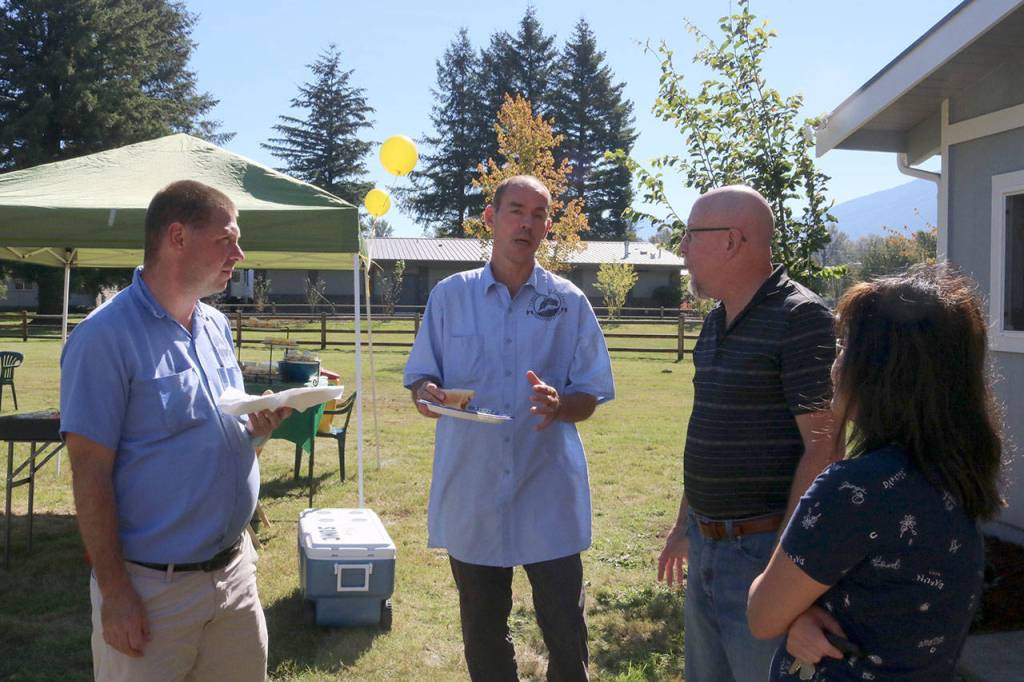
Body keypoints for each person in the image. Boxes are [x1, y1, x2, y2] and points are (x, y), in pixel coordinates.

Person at [61, 180, 291, 681]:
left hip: (234, 576)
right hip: (151, 591)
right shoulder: (104, 337)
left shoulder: (215, 327)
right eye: (226, 239)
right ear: (177, 237)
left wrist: (257, 432)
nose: (239, 252)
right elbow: (89, 476)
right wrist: (116, 593)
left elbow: (212, 436)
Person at [403, 175, 615, 681]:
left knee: (566, 629)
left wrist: (562, 405)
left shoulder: (569, 303)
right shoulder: (449, 298)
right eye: (516, 209)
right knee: (482, 629)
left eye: (539, 213)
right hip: (473, 489)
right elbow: (423, 376)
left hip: (548, 489)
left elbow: (591, 393)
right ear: (490, 218)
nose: (527, 222)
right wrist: (426, 393)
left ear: (546, 227)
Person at [747, 266, 1004, 681]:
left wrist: (790, 614)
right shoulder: (957, 474)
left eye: (845, 346)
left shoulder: (853, 491)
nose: (835, 362)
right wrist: (799, 615)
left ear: (882, 372)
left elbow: (761, 615)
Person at [656, 185, 837, 682]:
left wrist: (784, 570)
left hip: (762, 554)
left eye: (691, 236)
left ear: (733, 241)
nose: (683, 250)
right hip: (708, 543)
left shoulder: (801, 318)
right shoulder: (716, 321)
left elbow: (823, 448)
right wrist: (682, 524)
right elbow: (708, 431)